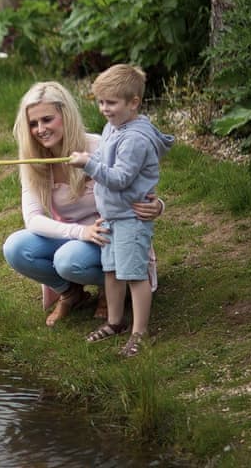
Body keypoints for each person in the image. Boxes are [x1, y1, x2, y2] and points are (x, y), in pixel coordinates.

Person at [2, 81, 164, 327]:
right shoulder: (33, 160)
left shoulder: (98, 146)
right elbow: (33, 219)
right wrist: (80, 232)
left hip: (112, 234)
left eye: (47, 119)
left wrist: (158, 205)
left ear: (65, 116)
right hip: (76, 235)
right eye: (33, 124)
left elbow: (135, 184)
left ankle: (110, 289)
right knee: (15, 247)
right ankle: (71, 293)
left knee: (67, 259)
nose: (40, 129)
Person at [70, 64, 173, 357]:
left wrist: (88, 164)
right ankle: (114, 323)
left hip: (131, 218)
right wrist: (91, 161)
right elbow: (104, 162)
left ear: (133, 103)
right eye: (101, 102)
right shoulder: (112, 127)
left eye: (111, 103)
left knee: (134, 275)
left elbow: (120, 178)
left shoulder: (135, 139)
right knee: (112, 273)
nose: (104, 108)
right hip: (113, 217)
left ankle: (140, 333)